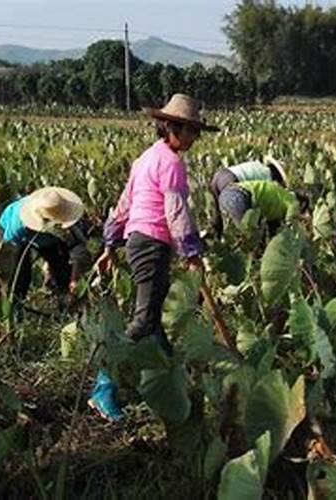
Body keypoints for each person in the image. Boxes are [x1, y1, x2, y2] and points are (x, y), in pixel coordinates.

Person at [89, 93, 218, 422]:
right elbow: (176, 211)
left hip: (138, 240)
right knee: (144, 319)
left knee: (155, 317)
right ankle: (102, 386)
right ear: (172, 128)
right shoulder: (171, 162)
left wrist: (109, 244)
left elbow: (124, 203)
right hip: (152, 244)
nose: (194, 137)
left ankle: (175, 381)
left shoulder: (146, 158)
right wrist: (191, 253)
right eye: (190, 130)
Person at [0, 186, 88, 310]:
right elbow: (8, 255)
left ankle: (66, 306)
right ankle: (14, 312)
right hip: (18, 238)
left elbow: (77, 248)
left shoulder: (62, 211)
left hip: (48, 238)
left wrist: (74, 278)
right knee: (20, 277)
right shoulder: (17, 228)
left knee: (62, 269)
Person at [210, 155, 288, 236]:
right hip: (232, 181)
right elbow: (262, 203)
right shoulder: (268, 177)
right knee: (243, 227)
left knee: (219, 219)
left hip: (219, 176)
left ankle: (215, 236)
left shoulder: (257, 165)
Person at [218, 179, 304, 236]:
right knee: (248, 240)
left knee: (232, 237)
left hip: (227, 193)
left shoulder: (281, 193)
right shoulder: (293, 201)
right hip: (240, 197)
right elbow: (290, 222)